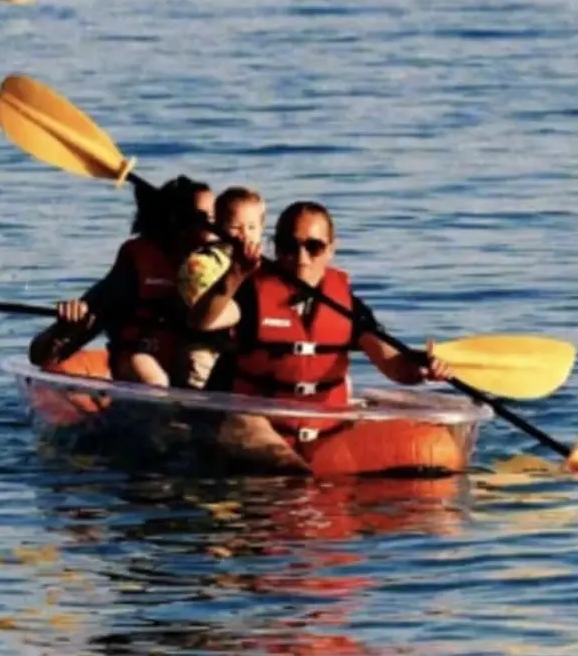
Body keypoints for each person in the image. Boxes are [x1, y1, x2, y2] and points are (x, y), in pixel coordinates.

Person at [188, 200, 453, 454]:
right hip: (256, 428)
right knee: (260, 439)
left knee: (436, 452)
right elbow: (203, 321)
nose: (301, 258)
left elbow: (394, 366)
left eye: (313, 247)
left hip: (325, 435)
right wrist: (235, 274)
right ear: (276, 248)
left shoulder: (347, 306)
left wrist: (423, 370)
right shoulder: (249, 295)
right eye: (289, 246)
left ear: (330, 249)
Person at [28, 175, 215, 385]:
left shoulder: (228, 268)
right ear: (176, 223)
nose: (213, 225)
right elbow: (40, 356)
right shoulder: (133, 270)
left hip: (197, 377)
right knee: (151, 376)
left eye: (216, 217)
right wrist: (66, 328)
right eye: (202, 217)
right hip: (142, 378)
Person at [175, 186, 266, 389]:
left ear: (262, 229)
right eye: (235, 227)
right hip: (206, 352)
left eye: (251, 227)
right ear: (218, 226)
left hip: (242, 354)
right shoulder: (200, 264)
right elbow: (200, 312)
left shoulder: (268, 269)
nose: (244, 235)